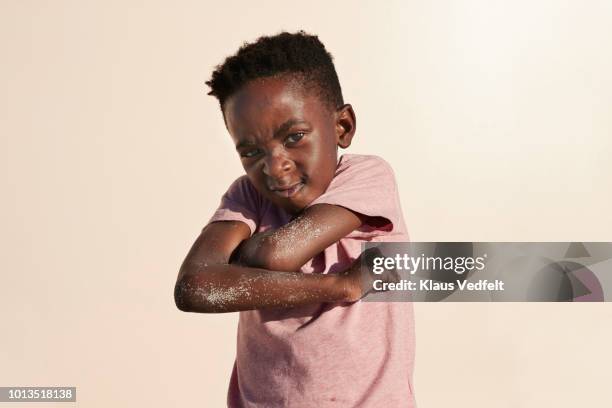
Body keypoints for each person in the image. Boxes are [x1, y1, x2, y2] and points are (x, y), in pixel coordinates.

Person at [174, 31, 415, 408]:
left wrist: (236, 264)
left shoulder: (367, 178)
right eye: (251, 151)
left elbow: (276, 254)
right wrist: (340, 287)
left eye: (294, 137)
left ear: (343, 127)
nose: (274, 165)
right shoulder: (246, 195)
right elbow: (194, 287)